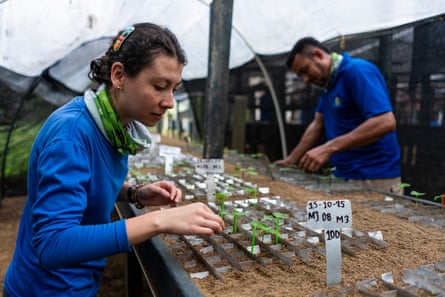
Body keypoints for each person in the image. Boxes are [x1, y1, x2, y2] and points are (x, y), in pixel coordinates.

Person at [3, 23, 224, 297]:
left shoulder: (111, 128)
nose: (169, 102)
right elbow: (52, 244)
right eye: (159, 86)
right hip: (47, 289)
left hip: (78, 282)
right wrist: (160, 221)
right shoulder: (71, 134)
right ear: (119, 75)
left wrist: (134, 192)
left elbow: (85, 181)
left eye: (174, 89)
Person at [274, 37, 402, 194]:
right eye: (301, 76)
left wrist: (328, 148)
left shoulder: (357, 72)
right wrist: (291, 160)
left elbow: (385, 121)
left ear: (318, 55)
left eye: (305, 70)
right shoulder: (330, 85)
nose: (306, 79)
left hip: (374, 176)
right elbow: (317, 125)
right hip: (343, 174)